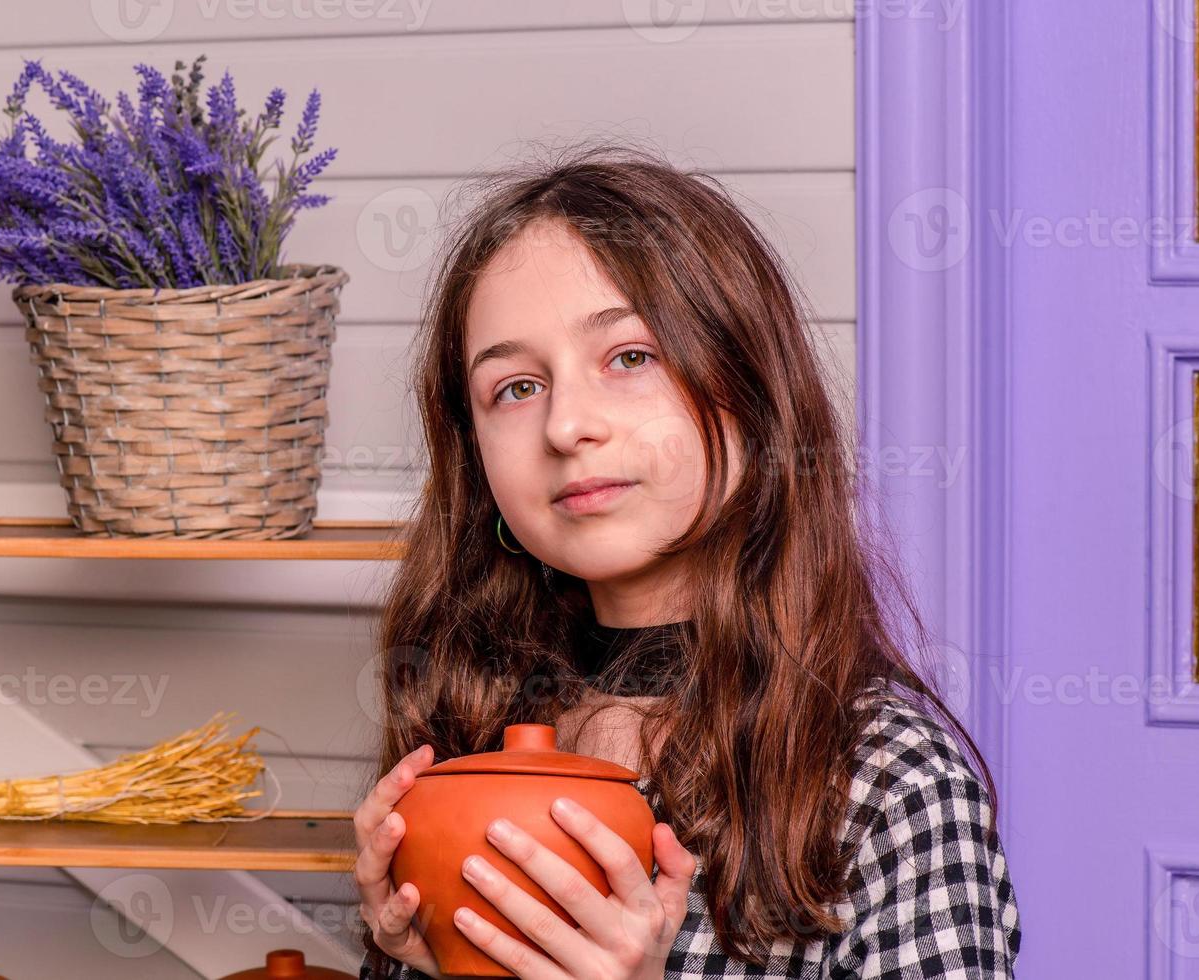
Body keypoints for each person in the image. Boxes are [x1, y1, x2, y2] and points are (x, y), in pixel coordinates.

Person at [350, 142, 1021, 978]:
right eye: (516, 387)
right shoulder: (467, 735)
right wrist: (417, 959)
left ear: (748, 387)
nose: (567, 427)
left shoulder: (887, 783)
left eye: (631, 358)